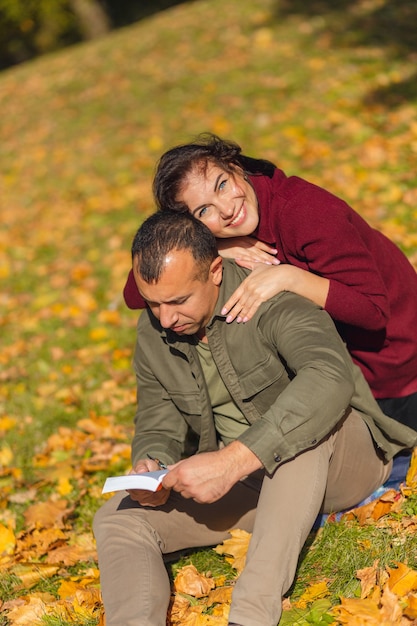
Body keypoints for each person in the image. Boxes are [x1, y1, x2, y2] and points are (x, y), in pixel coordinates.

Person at [94, 211, 417, 626]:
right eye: (153, 302)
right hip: (252, 487)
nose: (165, 318)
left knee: (299, 431)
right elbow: (158, 417)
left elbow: (328, 378)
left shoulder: (272, 298)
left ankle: (249, 617)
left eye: (177, 301)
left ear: (214, 271)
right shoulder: (154, 329)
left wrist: (233, 460)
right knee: (118, 519)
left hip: (343, 462)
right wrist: (151, 462)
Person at [123, 135, 417, 430]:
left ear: (235, 166)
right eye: (204, 211)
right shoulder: (223, 238)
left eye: (222, 184)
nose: (226, 209)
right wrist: (212, 248)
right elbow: (135, 293)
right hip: (331, 369)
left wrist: (289, 276)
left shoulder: (306, 211)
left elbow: (373, 312)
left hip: (393, 373)